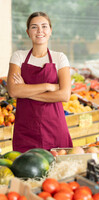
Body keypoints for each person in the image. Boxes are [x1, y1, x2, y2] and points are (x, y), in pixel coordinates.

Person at [7, 12, 73, 152]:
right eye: (34, 27)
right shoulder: (18, 56)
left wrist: (25, 90)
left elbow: (64, 95)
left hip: (54, 126)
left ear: (50, 31)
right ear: (28, 32)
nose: (39, 31)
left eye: (44, 26)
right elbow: (13, 91)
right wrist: (48, 86)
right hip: (25, 129)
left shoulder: (59, 58)